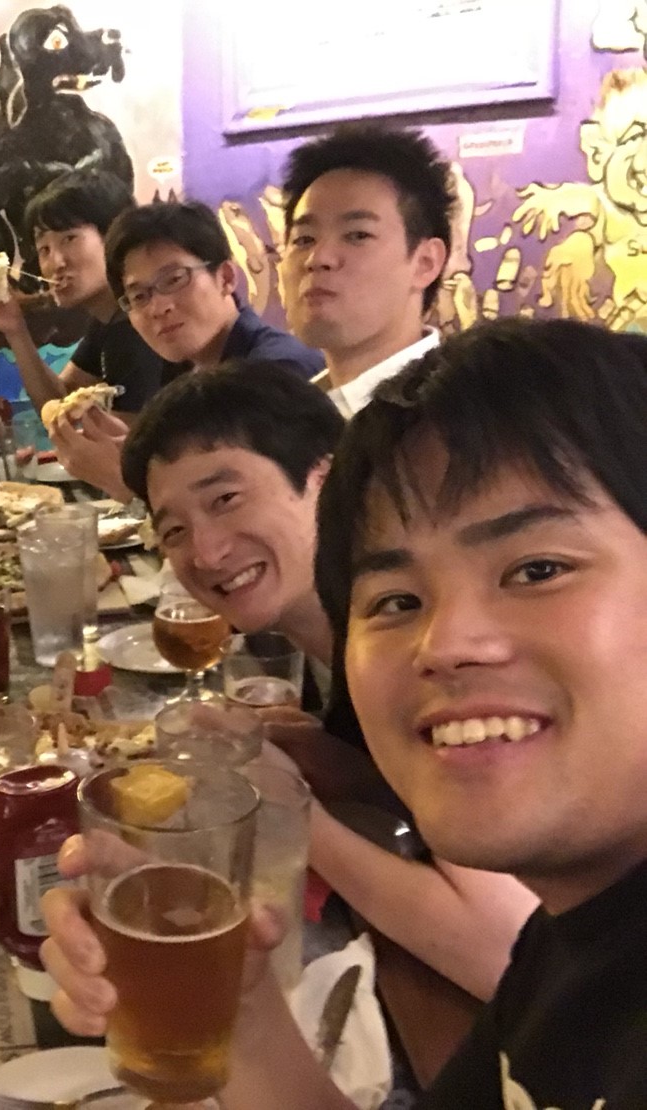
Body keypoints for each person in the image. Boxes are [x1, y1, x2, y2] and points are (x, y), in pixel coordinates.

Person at [42, 317, 647, 1106]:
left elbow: (482, 933)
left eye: (537, 570)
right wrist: (235, 1002)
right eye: (397, 600)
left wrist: (290, 806)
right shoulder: (569, 947)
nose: (445, 644)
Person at [119, 361, 536, 1002]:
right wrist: (331, 759)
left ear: (327, 479)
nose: (205, 552)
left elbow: (504, 951)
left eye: (226, 500)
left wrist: (293, 812)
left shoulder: (416, 640)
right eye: (174, 530)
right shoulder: (322, 644)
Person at [47, 200, 323, 491]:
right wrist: (133, 455)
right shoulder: (185, 371)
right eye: (139, 296)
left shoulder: (277, 373)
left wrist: (124, 481)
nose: (158, 307)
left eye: (175, 279)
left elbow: (273, 509)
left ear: (226, 277)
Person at [0, 169, 171, 420]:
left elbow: (125, 443)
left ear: (115, 237)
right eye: (44, 249)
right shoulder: (108, 320)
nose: (55, 263)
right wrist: (15, 328)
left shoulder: (137, 328)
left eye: (69, 238)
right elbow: (59, 406)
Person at [280, 124, 453, 417]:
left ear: (426, 262)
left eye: (357, 235)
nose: (317, 258)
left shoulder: (462, 418)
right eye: (304, 239)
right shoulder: (287, 419)